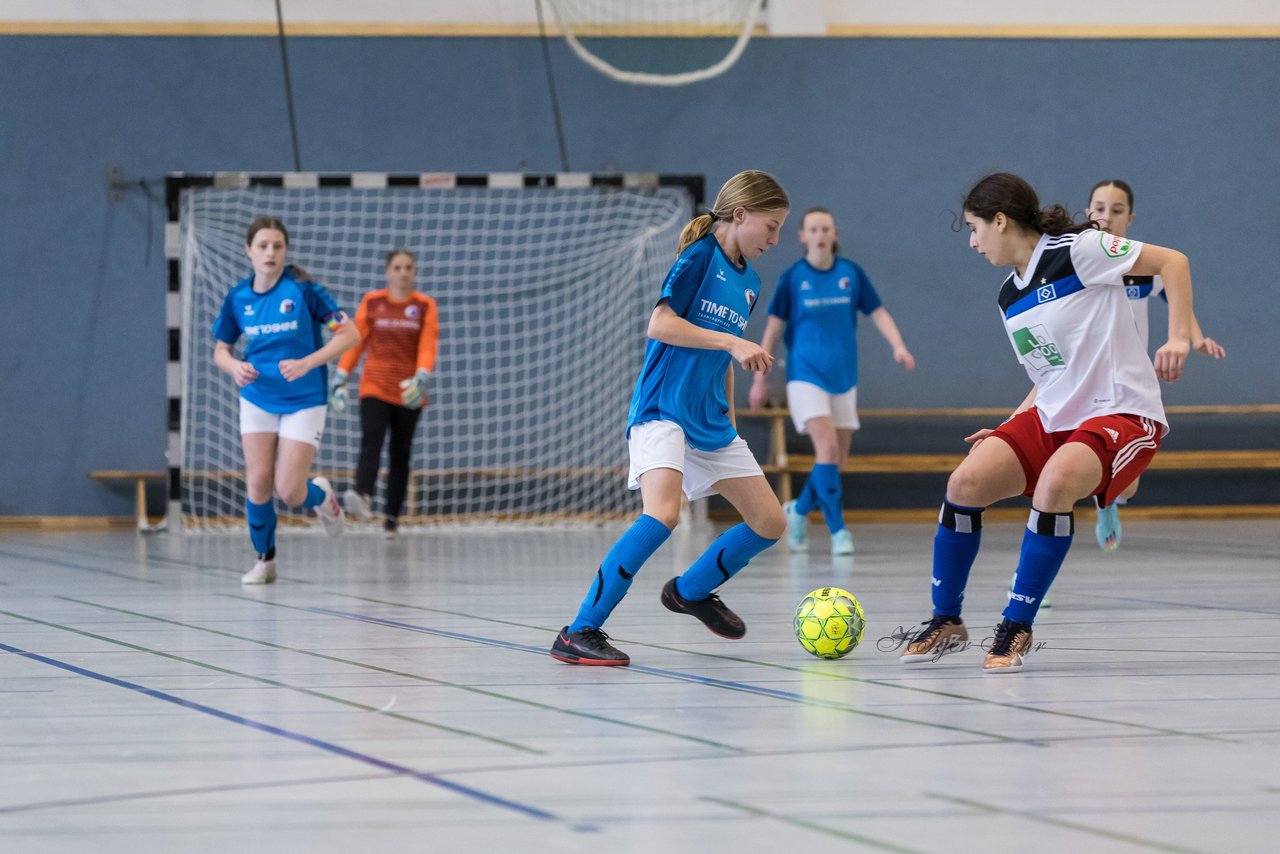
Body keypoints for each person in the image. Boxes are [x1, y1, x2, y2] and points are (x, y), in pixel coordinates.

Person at [900, 172, 1196, 673]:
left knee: (1056, 482)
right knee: (966, 480)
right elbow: (1049, 375)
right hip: (1056, 413)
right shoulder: (1008, 298)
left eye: (974, 229)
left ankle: (1016, 626)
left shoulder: (1077, 250)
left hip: (1121, 410)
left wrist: (1181, 336)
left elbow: (1174, 261)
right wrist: (1009, 425)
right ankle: (946, 619)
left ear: (1000, 220)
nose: (973, 242)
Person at [549, 170, 790, 666]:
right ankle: (579, 630)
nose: (775, 238)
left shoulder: (750, 281)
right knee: (662, 514)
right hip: (663, 409)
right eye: (770, 226)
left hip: (711, 419)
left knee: (769, 522)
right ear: (740, 215)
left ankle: (691, 591)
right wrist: (733, 341)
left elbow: (724, 358)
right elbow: (660, 323)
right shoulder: (699, 256)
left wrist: (731, 415)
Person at [748, 207, 915, 555]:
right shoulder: (793, 279)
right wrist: (759, 381)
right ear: (803, 236)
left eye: (826, 228)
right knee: (826, 450)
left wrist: (898, 345)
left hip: (843, 377)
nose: (820, 234)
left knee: (835, 462)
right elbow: (773, 330)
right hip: (805, 376)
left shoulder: (850, 274)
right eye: (813, 229)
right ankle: (839, 532)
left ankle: (797, 510)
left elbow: (878, 312)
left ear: (835, 233)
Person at [213, 216, 360, 584]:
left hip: (304, 397)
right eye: (262, 246)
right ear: (248, 251)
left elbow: (351, 334)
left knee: (290, 491)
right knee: (259, 482)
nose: (270, 253)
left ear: (285, 251)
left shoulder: (303, 291)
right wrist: (233, 366)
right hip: (258, 397)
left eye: (277, 246)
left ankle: (322, 497)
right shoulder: (238, 298)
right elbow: (221, 350)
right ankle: (265, 561)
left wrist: (309, 361)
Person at [1086, 180, 1226, 552]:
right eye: (1099, 208)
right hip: (1084, 381)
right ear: (1088, 214)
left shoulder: (1142, 267)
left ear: (1129, 218)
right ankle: (1027, 581)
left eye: (1116, 210)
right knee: (1056, 470)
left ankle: (1110, 502)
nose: (1106, 216)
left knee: (1125, 481)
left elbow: (1178, 300)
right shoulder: (1078, 263)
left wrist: (1194, 339)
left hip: (1129, 384)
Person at [330, 249, 439, 538]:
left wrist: (422, 376)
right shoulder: (373, 302)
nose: (403, 272)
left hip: (408, 391)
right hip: (374, 385)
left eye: (408, 267)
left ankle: (391, 517)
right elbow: (356, 341)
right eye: (397, 267)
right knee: (372, 438)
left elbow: (428, 343)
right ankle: (363, 493)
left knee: (400, 451)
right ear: (387, 272)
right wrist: (341, 377)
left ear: (414, 272)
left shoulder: (425, 306)